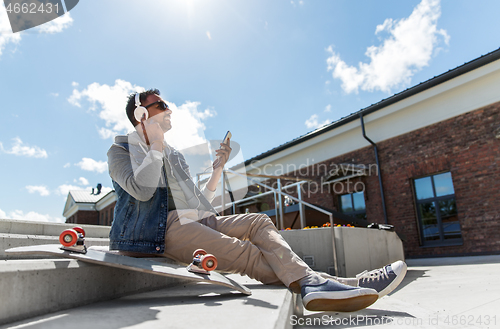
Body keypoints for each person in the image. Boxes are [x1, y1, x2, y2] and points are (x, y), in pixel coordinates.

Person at [107, 89, 407, 312]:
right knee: (246, 253)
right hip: (154, 233)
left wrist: (217, 169)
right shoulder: (120, 151)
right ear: (141, 114)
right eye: (161, 105)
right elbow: (143, 190)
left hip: (189, 221)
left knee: (258, 221)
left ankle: (322, 284)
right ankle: (345, 284)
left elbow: (203, 204)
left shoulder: (173, 155)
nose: (169, 109)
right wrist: (155, 143)